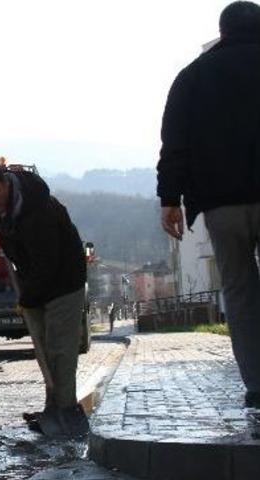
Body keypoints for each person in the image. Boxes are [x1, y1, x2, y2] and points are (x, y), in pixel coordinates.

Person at [157, 1, 260, 409]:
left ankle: (256, 384)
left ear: (223, 32)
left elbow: (174, 145)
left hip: (221, 205)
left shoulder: (193, 77)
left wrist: (170, 200)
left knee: (239, 292)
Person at [0, 163, 88, 437]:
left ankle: (67, 409)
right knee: (44, 350)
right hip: (36, 280)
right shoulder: (2, 212)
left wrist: (29, 297)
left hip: (64, 281)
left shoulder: (38, 210)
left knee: (60, 350)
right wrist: (28, 293)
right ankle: (53, 408)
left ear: (6, 183)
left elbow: (47, 263)